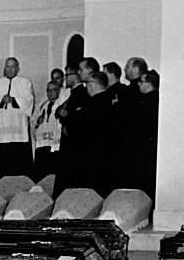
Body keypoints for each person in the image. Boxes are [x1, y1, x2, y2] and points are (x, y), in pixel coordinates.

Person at [58, 71, 117, 196]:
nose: (86, 87)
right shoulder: (108, 100)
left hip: (93, 153)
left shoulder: (96, 103)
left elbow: (82, 124)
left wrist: (68, 118)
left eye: (88, 83)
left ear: (94, 84)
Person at [0, 57, 34, 178]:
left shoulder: (25, 82)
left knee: (19, 162)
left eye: (12, 66)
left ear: (17, 68)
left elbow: (29, 101)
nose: (9, 69)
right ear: (4, 68)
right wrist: (1, 100)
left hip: (18, 127)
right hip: (2, 127)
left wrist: (14, 100)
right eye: (7, 66)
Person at [122, 69, 159, 203]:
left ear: (149, 84)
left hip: (145, 148)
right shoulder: (145, 100)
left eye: (141, 82)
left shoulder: (151, 101)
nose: (138, 85)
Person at [32, 80, 63, 183]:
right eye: (48, 90)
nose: (50, 93)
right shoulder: (42, 106)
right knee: (40, 176)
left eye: (53, 90)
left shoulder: (62, 106)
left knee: (52, 176)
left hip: (54, 147)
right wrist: (37, 123)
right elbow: (33, 122)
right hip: (41, 145)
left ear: (59, 91)